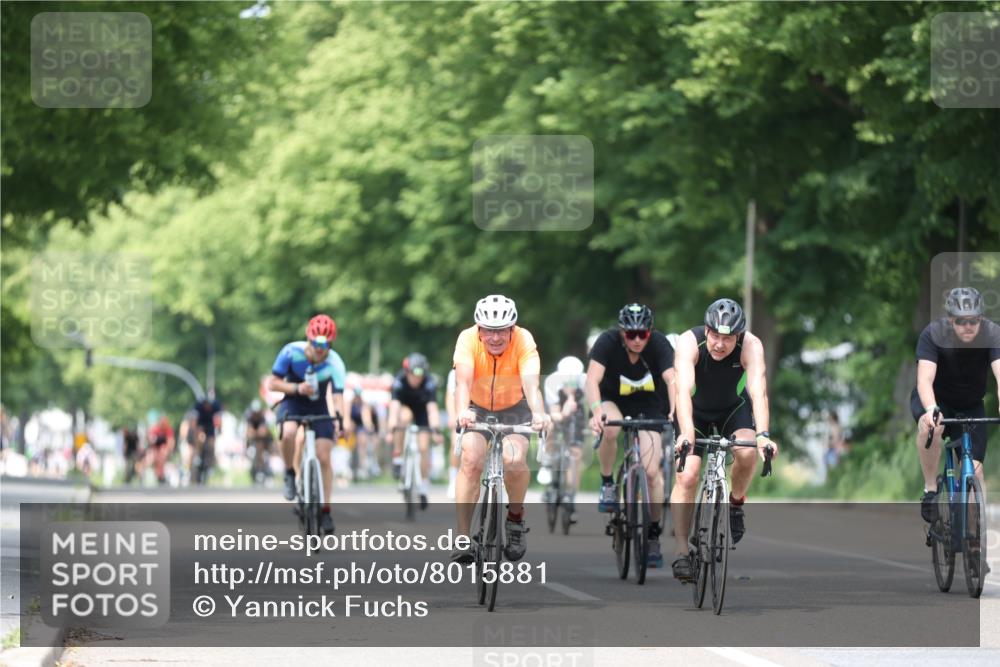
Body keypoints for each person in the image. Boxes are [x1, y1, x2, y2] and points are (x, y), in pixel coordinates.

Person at [670, 298, 778, 581]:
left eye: (727, 339)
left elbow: (758, 391)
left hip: (733, 409)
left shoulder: (752, 346)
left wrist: (763, 435)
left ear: (738, 336)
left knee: (746, 451)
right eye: (715, 336)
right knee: (688, 475)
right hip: (694, 411)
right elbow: (682, 389)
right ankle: (682, 552)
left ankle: (736, 503)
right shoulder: (688, 342)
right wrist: (685, 433)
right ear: (706, 331)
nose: (719, 344)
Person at [450, 295, 549, 564]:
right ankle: (462, 536)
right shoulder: (467, 339)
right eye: (489, 331)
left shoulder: (524, 340)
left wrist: (538, 413)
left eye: (502, 330)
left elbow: (531, 384)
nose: (495, 337)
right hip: (476, 406)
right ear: (479, 330)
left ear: (512, 329)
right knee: (471, 459)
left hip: (515, 405)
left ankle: (515, 519)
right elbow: (463, 382)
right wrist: (462, 412)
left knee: (514, 460)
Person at [587, 303, 677, 568]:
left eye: (643, 334)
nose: (637, 340)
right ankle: (607, 483)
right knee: (610, 426)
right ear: (622, 332)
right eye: (631, 334)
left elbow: (672, 380)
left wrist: (674, 411)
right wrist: (595, 412)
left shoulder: (660, 344)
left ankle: (652, 533)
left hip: (650, 406)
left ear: (649, 332)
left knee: (652, 473)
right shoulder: (606, 342)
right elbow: (592, 380)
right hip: (612, 401)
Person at [913, 287, 1000, 523]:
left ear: (981, 318)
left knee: (975, 469)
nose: (968, 326)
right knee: (931, 427)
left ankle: (975, 536)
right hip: (935, 398)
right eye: (961, 321)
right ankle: (931, 489)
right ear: (951, 319)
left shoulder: (992, 334)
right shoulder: (933, 334)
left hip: (970, 404)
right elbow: (924, 379)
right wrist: (931, 410)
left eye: (974, 320)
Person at [267, 314, 346, 535]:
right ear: (309, 339)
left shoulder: (335, 363)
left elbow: (338, 396)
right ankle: (290, 472)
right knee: (289, 432)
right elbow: (272, 383)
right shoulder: (291, 352)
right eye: (316, 343)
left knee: (324, 456)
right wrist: (296, 388)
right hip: (293, 402)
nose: (321, 349)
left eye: (326, 344)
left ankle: (325, 510)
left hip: (319, 407)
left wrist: (340, 420)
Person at [387, 353, 442, 509]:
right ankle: (397, 457)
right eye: (414, 374)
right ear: (407, 372)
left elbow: (432, 410)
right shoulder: (399, 381)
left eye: (421, 375)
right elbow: (394, 408)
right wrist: (391, 430)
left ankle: (423, 488)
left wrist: (436, 431)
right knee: (403, 418)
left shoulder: (429, 383)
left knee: (424, 448)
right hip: (405, 408)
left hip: (422, 411)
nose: (417, 378)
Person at [543, 356, 589, 524]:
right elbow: (555, 412)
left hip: (576, 412)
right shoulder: (552, 382)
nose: (570, 385)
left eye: (573, 382)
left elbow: (591, 404)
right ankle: (548, 461)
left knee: (576, 453)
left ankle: (571, 495)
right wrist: (564, 412)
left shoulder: (585, 381)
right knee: (549, 425)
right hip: (557, 409)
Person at [192, 393, 222, 483]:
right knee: (200, 437)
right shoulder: (198, 407)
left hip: (210, 426)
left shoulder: (216, 406)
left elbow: (219, 419)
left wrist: (220, 429)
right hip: (200, 424)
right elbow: (194, 421)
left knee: (211, 444)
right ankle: (198, 455)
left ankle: (210, 463)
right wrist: (196, 432)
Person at [245, 399, 273, 483]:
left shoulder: (263, 418)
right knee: (254, 443)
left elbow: (263, 433)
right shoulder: (249, 418)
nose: (256, 414)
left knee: (260, 445)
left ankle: (264, 466)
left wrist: (255, 433)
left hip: (265, 440)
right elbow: (248, 433)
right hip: (255, 440)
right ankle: (255, 466)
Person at [445, 367, 460, 499]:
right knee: (455, 443)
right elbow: (450, 396)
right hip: (460, 411)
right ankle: (453, 480)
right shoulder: (454, 373)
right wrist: (452, 416)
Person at [147, 414, 175, 485]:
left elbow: (170, 441)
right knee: (154, 457)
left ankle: (161, 475)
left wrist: (169, 450)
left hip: (164, 447)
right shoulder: (155, 429)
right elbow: (151, 440)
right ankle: (158, 474)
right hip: (155, 447)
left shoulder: (168, 429)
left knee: (162, 453)